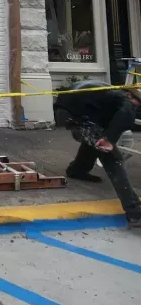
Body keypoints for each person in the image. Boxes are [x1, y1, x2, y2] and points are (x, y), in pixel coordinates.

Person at [54, 80, 141, 228]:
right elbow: (125, 113)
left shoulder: (109, 96)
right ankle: (134, 212)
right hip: (75, 115)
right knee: (111, 156)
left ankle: (77, 170)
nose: (136, 106)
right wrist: (109, 140)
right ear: (129, 94)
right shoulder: (123, 98)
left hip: (70, 111)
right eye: (137, 102)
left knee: (94, 140)